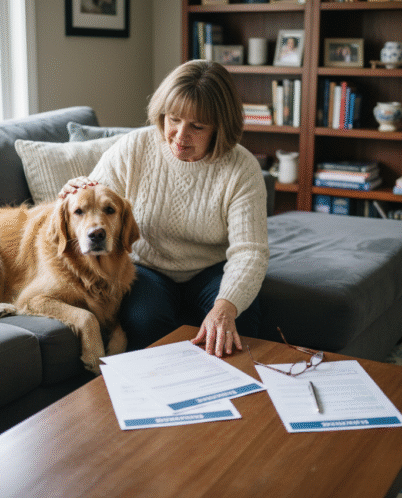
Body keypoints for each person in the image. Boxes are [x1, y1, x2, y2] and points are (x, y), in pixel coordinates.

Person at [60, 60, 269, 358]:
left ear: (220, 128)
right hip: (147, 266)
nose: (180, 136)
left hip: (212, 269)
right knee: (144, 322)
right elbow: (91, 204)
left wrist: (225, 306)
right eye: (173, 119)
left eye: (197, 126)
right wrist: (71, 193)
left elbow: (251, 251)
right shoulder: (134, 148)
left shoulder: (242, 169)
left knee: (239, 324)